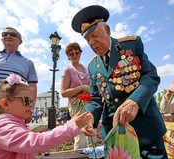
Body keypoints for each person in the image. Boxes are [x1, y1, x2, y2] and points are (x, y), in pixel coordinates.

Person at [71, 5, 167, 159]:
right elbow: (96, 99)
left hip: (146, 130)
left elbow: (151, 76)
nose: (91, 42)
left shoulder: (131, 45)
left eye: (95, 35)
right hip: (115, 135)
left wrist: (134, 101)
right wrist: (90, 117)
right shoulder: (92, 66)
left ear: (107, 30)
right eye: (87, 39)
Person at [0, 74, 95, 159]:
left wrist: (78, 129)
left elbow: (33, 143)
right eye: (26, 100)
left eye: (32, 101)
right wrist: (72, 127)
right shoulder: (3, 128)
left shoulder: (11, 124)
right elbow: (37, 142)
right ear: (6, 104)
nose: (31, 105)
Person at [0, 26, 38, 123]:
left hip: (14, 111)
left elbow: (32, 87)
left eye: (13, 34)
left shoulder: (28, 63)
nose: (8, 36)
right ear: (2, 39)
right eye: (5, 34)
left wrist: (29, 109)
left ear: (20, 41)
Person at [61, 42, 95, 150]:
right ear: (68, 57)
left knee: (91, 132)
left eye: (76, 52)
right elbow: (63, 92)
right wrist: (81, 88)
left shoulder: (86, 69)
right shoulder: (68, 70)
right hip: (77, 106)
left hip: (89, 103)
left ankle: (93, 154)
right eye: (71, 54)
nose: (74, 55)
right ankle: (79, 155)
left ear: (80, 53)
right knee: (80, 136)